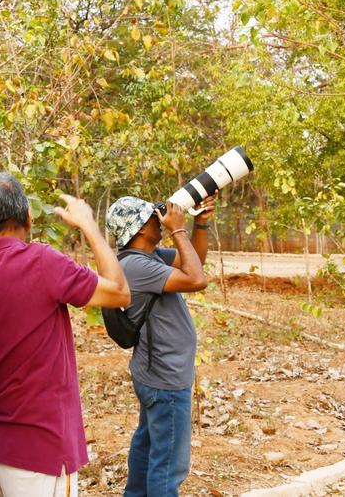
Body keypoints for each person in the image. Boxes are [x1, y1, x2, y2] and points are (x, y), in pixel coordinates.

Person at [0, 174, 130, 496]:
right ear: (28, 217)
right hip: (40, 451)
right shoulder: (41, 262)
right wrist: (89, 226)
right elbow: (119, 293)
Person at [105, 195, 216, 497]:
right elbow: (197, 279)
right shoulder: (137, 266)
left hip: (157, 373)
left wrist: (200, 224)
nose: (160, 219)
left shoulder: (148, 257)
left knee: (149, 447)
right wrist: (179, 230)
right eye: (153, 217)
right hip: (166, 376)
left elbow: (194, 262)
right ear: (140, 229)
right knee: (168, 467)